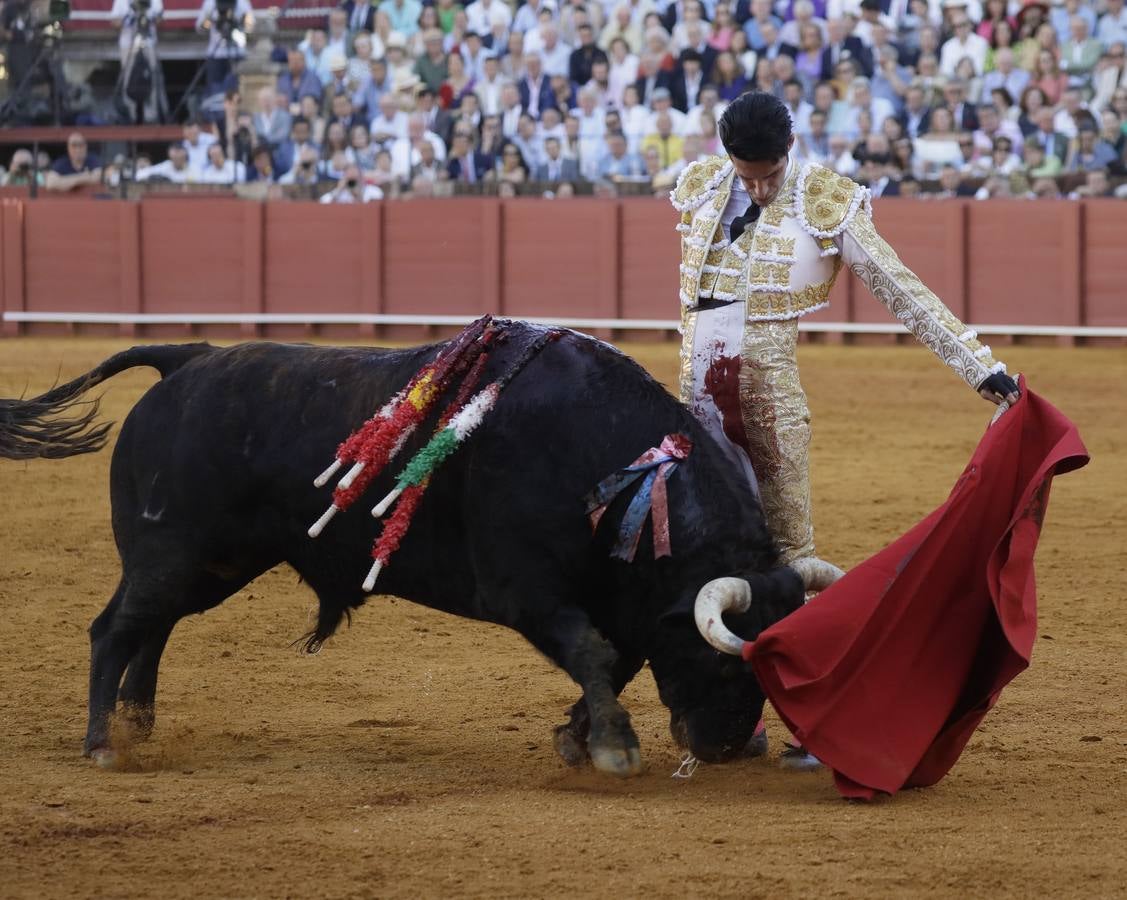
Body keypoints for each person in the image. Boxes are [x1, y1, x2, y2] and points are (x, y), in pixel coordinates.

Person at [670, 98, 1020, 748]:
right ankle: (733, 717)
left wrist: (979, 367)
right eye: (746, 175)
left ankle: (817, 721)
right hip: (696, 408)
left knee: (791, 561)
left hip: (768, 408)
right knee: (703, 554)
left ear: (789, 150)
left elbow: (899, 287)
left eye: (768, 175)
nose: (757, 188)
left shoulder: (824, 199)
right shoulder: (701, 186)